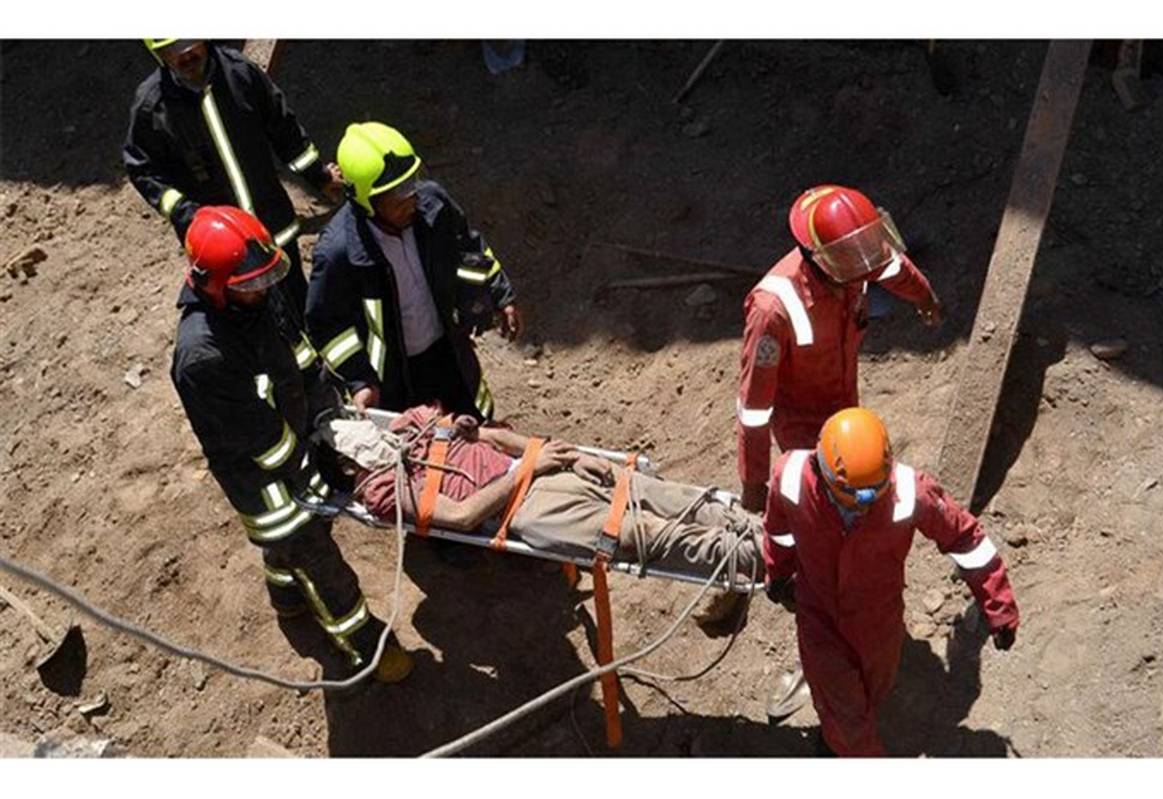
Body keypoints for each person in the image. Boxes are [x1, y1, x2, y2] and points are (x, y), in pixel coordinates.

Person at [170, 205, 411, 682]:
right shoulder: (203, 357)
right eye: (250, 284)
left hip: (296, 443)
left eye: (265, 278)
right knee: (317, 558)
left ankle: (286, 596)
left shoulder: (256, 295)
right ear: (214, 286)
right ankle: (365, 646)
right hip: (264, 485)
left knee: (292, 551)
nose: (263, 287)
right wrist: (311, 468)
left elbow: (301, 358)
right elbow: (258, 439)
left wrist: (328, 413)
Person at [762, 407, 1020, 756]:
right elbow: (778, 531)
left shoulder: (911, 492)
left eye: (874, 496)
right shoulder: (790, 478)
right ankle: (845, 745)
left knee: (873, 690)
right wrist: (777, 572)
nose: (864, 509)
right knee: (847, 718)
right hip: (820, 617)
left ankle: (839, 733)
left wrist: (999, 607)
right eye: (853, 502)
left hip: (879, 622)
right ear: (821, 473)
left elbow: (966, 540)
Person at [321, 404, 763, 588]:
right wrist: (530, 468)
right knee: (639, 533)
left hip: (545, 467)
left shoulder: (411, 424)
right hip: (525, 510)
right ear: (347, 466)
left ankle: (764, 530)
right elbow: (461, 517)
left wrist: (557, 453)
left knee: (657, 494)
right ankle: (761, 557)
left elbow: (493, 437)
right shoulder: (382, 489)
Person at [737, 184, 943, 515]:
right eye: (856, 263)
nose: (866, 270)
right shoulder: (772, 311)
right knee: (827, 506)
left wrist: (922, 295)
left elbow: (891, 266)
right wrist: (753, 483)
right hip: (802, 424)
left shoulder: (855, 256)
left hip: (844, 397)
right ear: (819, 258)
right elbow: (754, 407)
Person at [305, 122, 521, 422]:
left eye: (411, 184)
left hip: (448, 350)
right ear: (365, 201)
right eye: (397, 195)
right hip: (394, 377)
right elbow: (325, 325)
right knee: (418, 440)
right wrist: (360, 380)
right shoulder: (338, 253)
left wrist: (501, 295)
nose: (411, 199)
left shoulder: (434, 205)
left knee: (475, 422)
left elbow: (469, 248)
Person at [123, 39, 342, 315]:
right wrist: (184, 212)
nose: (186, 54)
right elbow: (143, 169)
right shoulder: (152, 106)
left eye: (190, 41)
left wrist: (319, 177)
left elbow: (284, 130)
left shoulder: (240, 73)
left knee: (298, 304)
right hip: (223, 253)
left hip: (274, 227)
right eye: (173, 49)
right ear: (158, 54)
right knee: (250, 321)